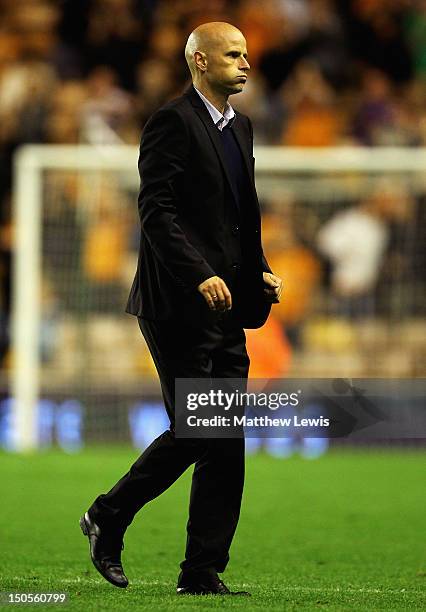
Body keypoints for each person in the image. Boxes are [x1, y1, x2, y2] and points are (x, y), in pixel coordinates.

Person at [80, 21, 283, 596]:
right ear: (200, 62)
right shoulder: (172, 121)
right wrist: (201, 275)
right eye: (233, 54)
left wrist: (259, 269)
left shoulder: (239, 127)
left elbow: (237, 214)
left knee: (225, 437)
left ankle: (201, 571)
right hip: (177, 303)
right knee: (200, 430)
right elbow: (157, 213)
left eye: (247, 54)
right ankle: (107, 515)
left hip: (227, 306)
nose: (246, 63)